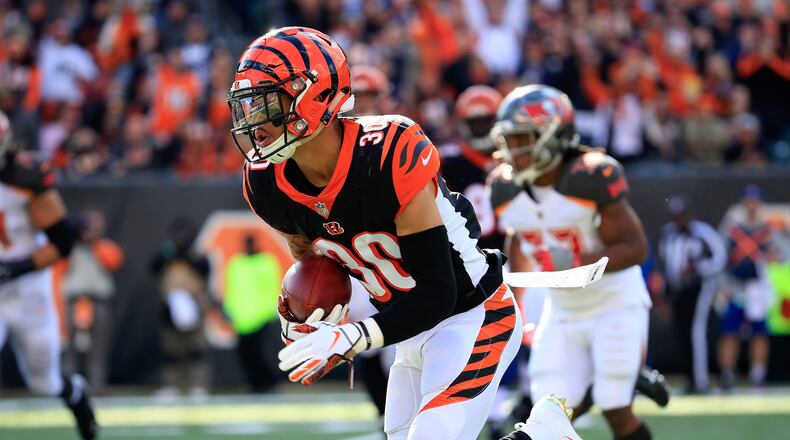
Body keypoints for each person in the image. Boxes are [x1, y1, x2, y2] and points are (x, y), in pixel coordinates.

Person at [230, 26, 573, 440]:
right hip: (409, 330)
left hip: (473, 313)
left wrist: (354, 336)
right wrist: (309, 317)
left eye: (266, 101)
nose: (254, 120)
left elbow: (438, 289)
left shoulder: (388, 150)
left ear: (313, 94)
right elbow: (319, 265)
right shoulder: (266, 182)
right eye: (248, 104)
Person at [487, 85, 653, 440]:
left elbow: (634, 247)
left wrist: (579, 262)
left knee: (615, 407)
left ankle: (609, 382)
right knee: (547, 408)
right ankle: (597, 383)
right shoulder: (504, 188)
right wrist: (512, 304)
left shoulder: (589, 176)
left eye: (524, 138)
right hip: (560, 308)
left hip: (615, 303)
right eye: (510, 140)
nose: (515, 150)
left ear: (553, 135)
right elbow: (520, 234)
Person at [0, 110, 97, 439]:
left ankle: (76, 396)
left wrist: (12, 268)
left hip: (27, 288)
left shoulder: (25, 179)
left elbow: (63, 243)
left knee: (45, 381)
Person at [655, 195, 726, 394]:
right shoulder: (667, 234)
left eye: (682, 215)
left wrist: (697, 268)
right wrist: (664, 294)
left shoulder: (702, 232)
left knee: (697, 333)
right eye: (675, 216)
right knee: (682, 333)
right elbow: (666, 265)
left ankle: (701, 381)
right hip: (678, 290)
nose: (679, 220)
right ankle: (691, 378)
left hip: (699, 287)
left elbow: (719, 258)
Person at [62, 209, 124, 394]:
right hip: (74, 301)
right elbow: (59, 263)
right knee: (69, 348)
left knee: (99, 348)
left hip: (98, 301)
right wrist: (76, 236)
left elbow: (113, 261)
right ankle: (67, 388)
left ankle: (98, 387)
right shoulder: (69, 246)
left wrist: (93, 241)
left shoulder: (105, 246)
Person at [718, 185, 773, 389]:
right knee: (730, 331)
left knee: (759, 333)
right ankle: (727, 373)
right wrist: (723, 285)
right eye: (748, 200)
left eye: (755, 201)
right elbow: (720, 256)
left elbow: (780, 253)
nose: (751, 205)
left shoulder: (767, 228)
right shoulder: (732, 227)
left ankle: (758, 373)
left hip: (758, 288)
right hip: (736, 286)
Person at [150, 217, 212, 399]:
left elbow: (205, 269)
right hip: (170, 306)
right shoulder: (167, 255)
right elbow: (152, 266)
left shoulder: (197, 256)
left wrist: (186, 255)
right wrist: (169, 253)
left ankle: (198, 386)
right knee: (172, 350)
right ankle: (173, 385)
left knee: (196, 348)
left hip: (195, 304)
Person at [223, 234, 283, 392]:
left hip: (261, 317)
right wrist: (229, 310)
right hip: (241, 319)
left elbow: (272, 287)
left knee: (262, 352)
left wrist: (271, 311)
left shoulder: (266, 262)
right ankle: (255, 384)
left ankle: (267, 383)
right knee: (245, 354)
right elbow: (231, 290)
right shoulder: (236, 264)